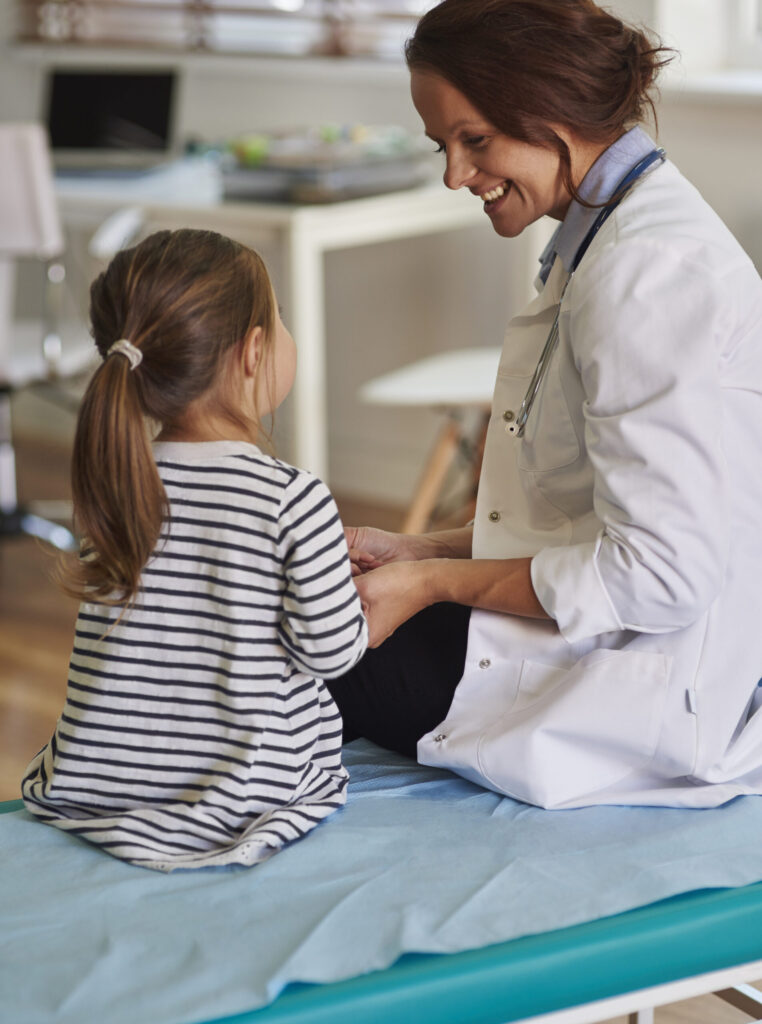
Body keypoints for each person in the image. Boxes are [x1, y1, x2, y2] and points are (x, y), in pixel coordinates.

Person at [327, 0, 762, 809]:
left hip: (646, 691)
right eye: (443, 146)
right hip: (602, 638)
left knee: (289, 642)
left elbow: (662, 577)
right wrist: (427, 550)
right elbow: (585, 514)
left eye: (475, 140)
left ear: (550, 109)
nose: (456, 175)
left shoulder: (647, 274)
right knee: (310, 609)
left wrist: (433, 586)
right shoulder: (606, 232)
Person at [22, 229, 368, 871]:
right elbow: (332, 651)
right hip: (246, 798)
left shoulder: (116, 479)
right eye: (280, 322)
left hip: (94, 783)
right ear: (254, 352)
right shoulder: (292, 498)